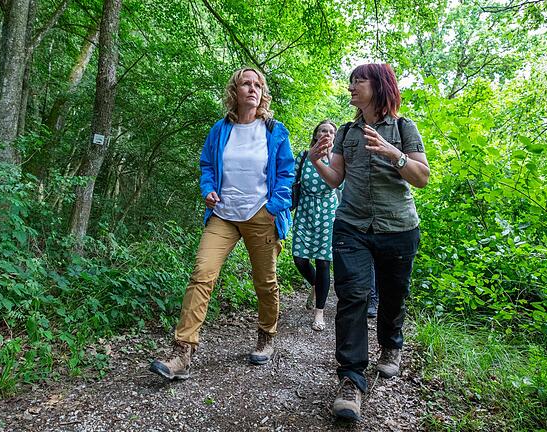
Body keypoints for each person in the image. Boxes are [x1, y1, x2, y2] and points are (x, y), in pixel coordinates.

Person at [149, 67, 294, 381]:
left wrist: (274, 207)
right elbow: (206, 166)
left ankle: (267, 335)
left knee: (265, 281)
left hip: (261, 215)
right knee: (202, 273)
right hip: (223, 215)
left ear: (262, 92)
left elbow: (286, 173)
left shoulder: (274, 130)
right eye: (246, 84)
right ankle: (182, 352)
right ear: (235, 91)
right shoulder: (220, 130)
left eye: (257, 85)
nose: (252, 89)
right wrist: (208, 189)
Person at [309, 63, 430, 421]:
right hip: (352, 227)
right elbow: (335, 179)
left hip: (398, 228)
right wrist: (318, 161)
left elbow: (421, 177)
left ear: (379, 86)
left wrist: (394, 154)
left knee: (393, 296)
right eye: (351, 81)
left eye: (358, 81)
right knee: (353, 297)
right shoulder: (347, 132)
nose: (351, 87)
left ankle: (391, 345)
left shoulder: (404, 127)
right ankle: (351, 379)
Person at [292, 120, 340, 332]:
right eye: (323, 130)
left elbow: (341, 184)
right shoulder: (303, 156)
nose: (326, 134)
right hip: (305, 209)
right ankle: (314, 284)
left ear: (335, 137)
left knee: (323, 263)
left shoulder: (338, 159)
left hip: (328, 212)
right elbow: (291, 179)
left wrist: (330, 158)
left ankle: (319, 312)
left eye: (331, 131)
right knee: (300, 259)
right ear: (315, 134)